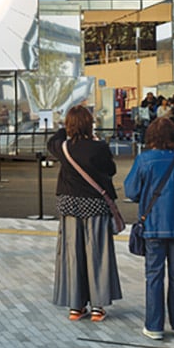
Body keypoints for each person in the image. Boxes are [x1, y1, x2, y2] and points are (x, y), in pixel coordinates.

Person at [123, 117, 174, 341]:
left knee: (154, 276)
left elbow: (131, 191)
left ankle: (154, 326)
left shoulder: (144, 159)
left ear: (151, 137)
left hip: (153, 226)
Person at [47, 105, 122, 323]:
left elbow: (51, 141)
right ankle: (98, 307)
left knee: (73, 253)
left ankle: (75, 306)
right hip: (95, 204)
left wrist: (63, 128)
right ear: (90, 124)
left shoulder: (63, 146)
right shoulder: (99, 147)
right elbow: (110, 170)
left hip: (69, 203)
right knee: (97, 253)